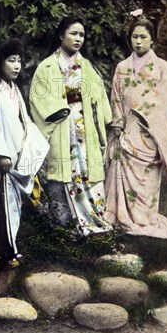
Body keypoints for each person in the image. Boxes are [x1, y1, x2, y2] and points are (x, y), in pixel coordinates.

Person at [0, 39, 49, 270]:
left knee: (13, 209)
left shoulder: (14, 90)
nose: (16, 66)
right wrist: (1, 153)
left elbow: (24, 123)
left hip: (17, 157)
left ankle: (9, 249)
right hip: (0, 162)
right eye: (11, 60)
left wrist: (27, 148)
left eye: (19, 61)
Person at [29, 16, 113, 236]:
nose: (78, 39)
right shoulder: (46, 67)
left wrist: (106, 120)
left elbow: (100, 98)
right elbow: (38, 101)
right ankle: (64, 222)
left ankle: (93, 218)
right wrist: (61, 107)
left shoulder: (88, 67)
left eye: (82, 35)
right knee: (63, 170)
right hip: (61, 125)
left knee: (88, 167)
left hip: (85, 127)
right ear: (61, 35)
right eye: (73, 33)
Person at [104, 16, 167, 238]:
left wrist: (147, 113)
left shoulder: (161, 67)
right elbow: (116, 97)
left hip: (150, 131)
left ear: (152, 40)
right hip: (128, 128)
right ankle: (120, 215)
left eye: (143, 37)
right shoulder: (122, 67)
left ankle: (144, 217)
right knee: (120, 174)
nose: (137, 41)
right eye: (134, 37)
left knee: (146, 180)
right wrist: (118, 123)